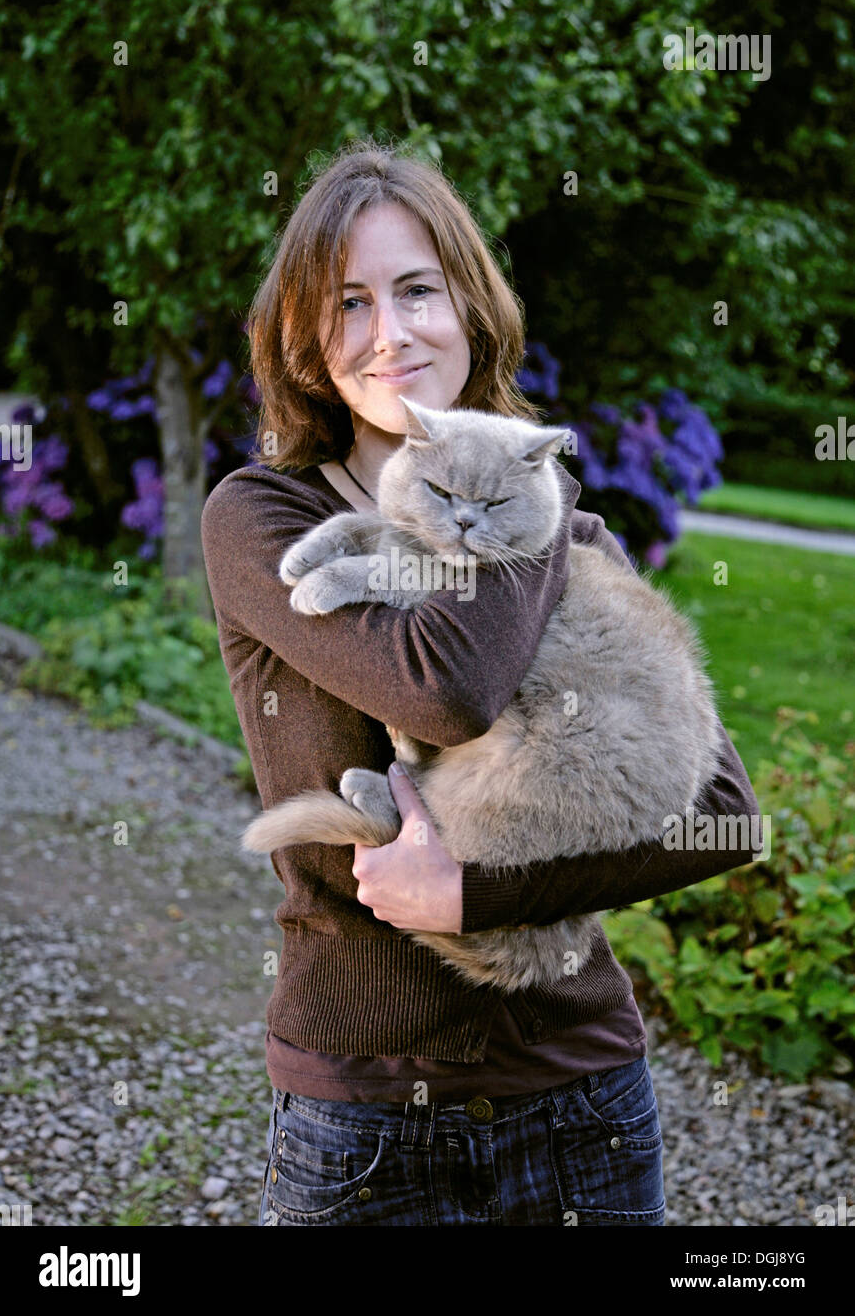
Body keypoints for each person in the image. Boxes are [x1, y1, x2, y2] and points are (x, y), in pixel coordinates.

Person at [200, 139, 762, 1227]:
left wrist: (475, 896)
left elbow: (726, 817)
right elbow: (443, 691)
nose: (390, 332)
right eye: (347, 302)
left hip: (580, 1091)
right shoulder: (264, 519)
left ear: (470, 304)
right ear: (305, 339)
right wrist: (526, 516)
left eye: (417, 290)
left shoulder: (555, 523)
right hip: (363, 1115)